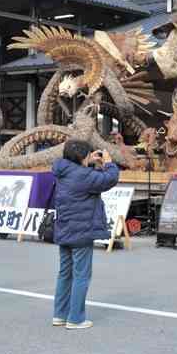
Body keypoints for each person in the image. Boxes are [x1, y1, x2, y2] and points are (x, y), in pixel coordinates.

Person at [51, 140, 119, 329]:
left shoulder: (63, 170)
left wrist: (91, 162)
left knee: (65, 273)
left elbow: (86, 176)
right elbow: (110, 179)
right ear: (81, 157)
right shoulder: (83, 175)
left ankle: (60, 314)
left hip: (64, 229)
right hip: (81, 232)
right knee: (81, 275)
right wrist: (108, 163)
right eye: (88, 154)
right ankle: (76, 319)